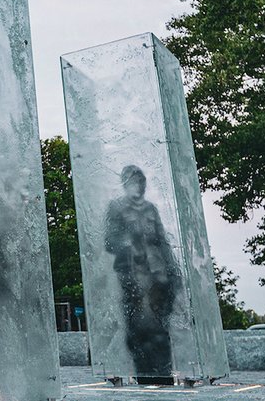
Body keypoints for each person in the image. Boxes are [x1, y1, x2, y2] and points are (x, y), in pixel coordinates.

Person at [104, 165, 180, 385]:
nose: (139, 185)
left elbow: (163, 242)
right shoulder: (116, 208)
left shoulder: (150, 209)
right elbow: (109, 242)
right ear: (125, 183)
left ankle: (165, 376)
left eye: (141, 181)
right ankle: (144, 376)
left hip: (157, 278)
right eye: (134, 181)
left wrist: (173, 272)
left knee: (160, 329)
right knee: (137, 330)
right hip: (132, 278)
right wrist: (128, 244)